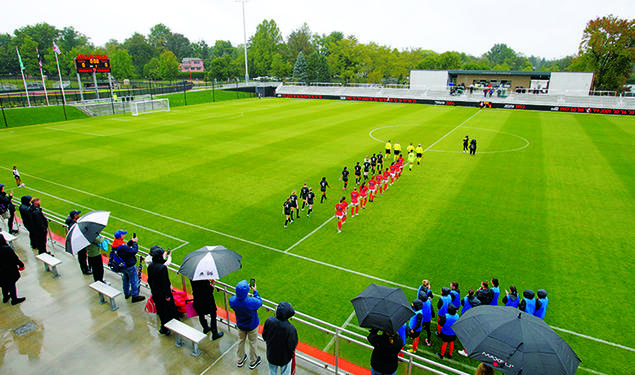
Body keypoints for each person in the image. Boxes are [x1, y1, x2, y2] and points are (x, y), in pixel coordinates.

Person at [229, 280, 263, 369]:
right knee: (253, 343)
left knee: (240, 341)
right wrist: (255, 291)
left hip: (240, 325)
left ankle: (240, 360)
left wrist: (244, 289)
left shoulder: (232, 300)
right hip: (252, 326)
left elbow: (235, 299)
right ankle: (253, 361)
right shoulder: (250, 302)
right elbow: (259, 302)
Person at [147, 246, 178, 335]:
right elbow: (165, 283)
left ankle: (164, 327)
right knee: (168, 309)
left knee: (161, 310)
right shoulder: (162, 268)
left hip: (156, 292)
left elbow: (150, 280)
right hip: (163, 293)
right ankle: (167, 326)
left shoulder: (151, 266)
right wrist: (168, 295)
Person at [262, 301, 298, 375]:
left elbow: (264, 336)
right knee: (285, 373)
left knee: (272, 372)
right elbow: (292, 346)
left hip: (271, 354)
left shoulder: (269, 321)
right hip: (285, 358)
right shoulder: (291, 329)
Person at [112, 230, 145, 303]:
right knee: (134, 280)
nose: (124, 235)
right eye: (123, 235)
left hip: (122, 266)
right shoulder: (122, 247)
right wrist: (135, 243)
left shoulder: (115, 243)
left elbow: (125, 247)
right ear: (121, 237)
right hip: (129, 265)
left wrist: (131, 241)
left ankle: (126, 293)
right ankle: (135, 296)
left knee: (125, 279)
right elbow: (134, 251)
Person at [0, 234, 26, 305]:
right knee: (11, 284)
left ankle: (5, 297)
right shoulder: (6, 249)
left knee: (3, 284)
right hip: (9, 270)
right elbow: (15, 258)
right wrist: (21, 265)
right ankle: (14, 299)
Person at [66, 210, 92, 275]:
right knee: (82, 256)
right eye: (77, 214)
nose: (78, 215)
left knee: (83, 256)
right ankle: (85, 269)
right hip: (79, 242)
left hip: (79, 241)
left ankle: (85, 268)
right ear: (75, 216)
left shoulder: (73, 223)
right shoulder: (73, 224)